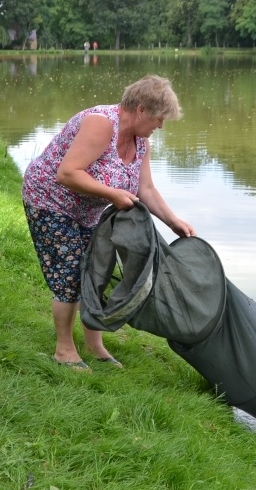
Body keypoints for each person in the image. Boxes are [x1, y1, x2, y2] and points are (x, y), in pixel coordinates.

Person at [22, 75, 196, 370]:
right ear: (141, 110)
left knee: (95, 272)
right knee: (68, 275)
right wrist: (112, 194)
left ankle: (94, 345)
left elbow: (146, 189)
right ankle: (64, 350)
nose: (161, 126)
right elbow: (68, 173)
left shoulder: (141, 142)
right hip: (50, 200)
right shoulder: (101, 124)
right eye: (159, 118)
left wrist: (173, 221)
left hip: (88, 210)